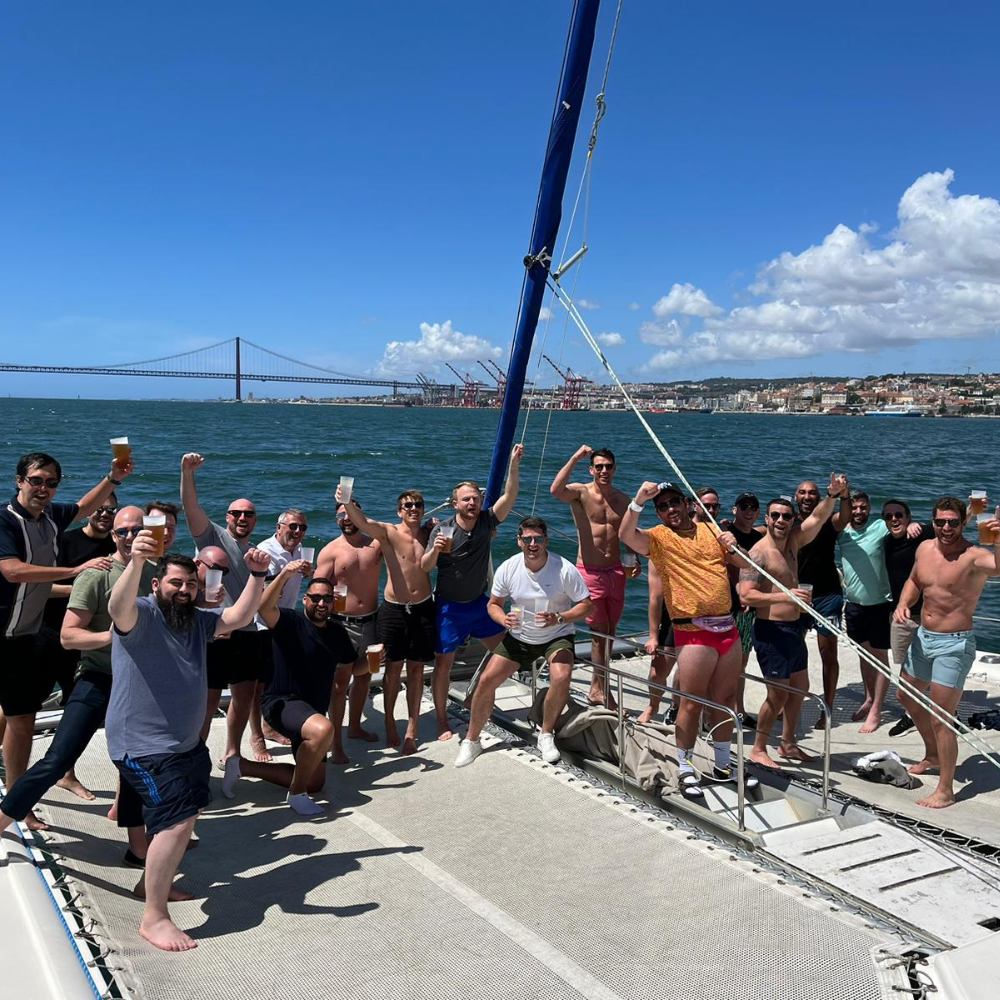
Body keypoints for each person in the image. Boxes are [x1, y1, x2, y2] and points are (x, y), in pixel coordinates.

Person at [107, 537, 270, 952]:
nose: (184, 591)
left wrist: (255, 575)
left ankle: (149, 885)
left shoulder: (197, 621)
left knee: (187, 816)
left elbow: (238, 616)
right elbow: (116, 608)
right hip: (142, 747)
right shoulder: (139, 614)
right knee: (176, 822)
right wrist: (139, 559)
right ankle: (154, 918)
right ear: (156, 585)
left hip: (185, 744)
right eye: (175, 583)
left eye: (190, 585)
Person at [0, 507, 149, 866]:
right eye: (124, 531)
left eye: (138, 530)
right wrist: (110, 637)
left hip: (139, 686)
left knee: (136, 763)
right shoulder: (97, 575)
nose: (131, 536)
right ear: (114, 536)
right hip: (98, 677)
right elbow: (69, 636)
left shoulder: (159, 575)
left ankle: (139, 847)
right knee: (58, 758)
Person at [0, 450, 131, 830]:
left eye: (51, 482)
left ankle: (16, 800)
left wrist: (114, 477)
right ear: (19, 480)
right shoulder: (5, 521)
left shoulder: (49, 517)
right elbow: (11, 571)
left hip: (24, 637)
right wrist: (76, 569)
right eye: (36, 480)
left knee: (22, 717)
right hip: (4, 637)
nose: (43, 488)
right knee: (18, 716)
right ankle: (17, 802)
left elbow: (82, 507)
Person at [619, 481, 754, 799]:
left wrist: (734, 544)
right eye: (662, 506)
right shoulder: (658, 538)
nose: (670, 510)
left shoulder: (710, 530)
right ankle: (685, 765)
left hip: (727, 630)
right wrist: (639, 500)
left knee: (725, 702)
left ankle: (723, 764)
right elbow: (626, 534)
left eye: (674, 502)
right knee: (690, 704)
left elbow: (747, 564)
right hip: (692, 633)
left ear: (687, 503)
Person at [456, 517, 592, 768]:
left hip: (556, 635)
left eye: (538, 539)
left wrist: (559, 617)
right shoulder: (509, 567)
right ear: (519, 541)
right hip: (519, 636)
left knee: (561, 676)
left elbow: (586, 605)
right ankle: (472, 740)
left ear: (546, 541)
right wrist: (503, 619)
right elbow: (493, 605)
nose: (533, 544)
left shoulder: (563, 569)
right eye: (527, 539)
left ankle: (546, 734)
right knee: (486, 680)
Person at [222, 567, 356, 815]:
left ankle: (241, 766)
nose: (321, 603)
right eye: (315, 597)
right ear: (305, 599)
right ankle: (296, 795)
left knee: (315, 782)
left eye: (327, 598)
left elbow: (353, 666)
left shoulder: (337, 632)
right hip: (281, 703)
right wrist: (285, 575)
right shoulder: (290, 621)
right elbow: (262, 608)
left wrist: (379, 657)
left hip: (310, 713)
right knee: (323, 729)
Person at [894, 500, 999, 809]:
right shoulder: (925, 549)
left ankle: (946, 790)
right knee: (906, 696)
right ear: (934, 521)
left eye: (953, 522)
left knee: (942, 718)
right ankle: (933, 755)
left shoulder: (974, 556)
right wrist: (903, 603)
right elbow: (914, 580)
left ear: (962, 523)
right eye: (941, 522)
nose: (947, 528)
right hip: (923, 639)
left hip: (954, 644)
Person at [737, 480, 847, 768]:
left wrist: (834, 495)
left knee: (800, 688)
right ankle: (759, 748)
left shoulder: (794, 543)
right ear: (767, 519)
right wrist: (784, 594)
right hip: (771, 632)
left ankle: (788, 744)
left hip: (793, 629)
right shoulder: (759, 553)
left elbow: (819, 517)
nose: (781, 521)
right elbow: (745, 594)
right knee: (777, 695)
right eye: (775, 516)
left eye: (786, 516)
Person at [422, 444, 523, 740]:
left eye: (476, 499)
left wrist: (514, 465)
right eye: (466, 499)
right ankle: (442, 721)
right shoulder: (441, 529)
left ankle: (476, 694)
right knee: (443, 667)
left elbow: (510, 496)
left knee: (510, 652)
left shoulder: (486, 522)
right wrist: (436, 549)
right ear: (455, 503)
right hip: (449, 608)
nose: (472, 503)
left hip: (479, 605)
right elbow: (426, 567)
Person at [179, 453, 273, 764]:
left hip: (247, 632)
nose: (242, 518)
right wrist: (187, 473)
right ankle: (196, 759)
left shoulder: (259, 554)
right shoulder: (212, 535)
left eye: (249, 515)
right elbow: (191, 508)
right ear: (228, 517)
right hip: (213, 634)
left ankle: (233, 752)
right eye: (236, 513)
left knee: (244, 697)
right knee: (207, 703)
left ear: (255, 520)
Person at [33, 493, 118, 802]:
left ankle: (67, 776)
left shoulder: (117, 547)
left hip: (89, 644)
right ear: (88, 513)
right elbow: (38, 585)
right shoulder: (64, 542)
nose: (105, 514)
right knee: (22, 703)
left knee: (76, 710)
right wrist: (84, 585)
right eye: (100, 509)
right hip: (49, 632)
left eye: (112, 510)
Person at [337, 488, 436, 754]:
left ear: (424, 509)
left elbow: (464, 531)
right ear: (399, 511)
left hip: (424, 608)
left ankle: (412, 730)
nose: (413, 509)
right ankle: (390, 721)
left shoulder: (432, 533)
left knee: (417, 671)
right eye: (407, 506)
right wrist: (346, 502)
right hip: (394, 610)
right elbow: (363, 522)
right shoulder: (389, 533)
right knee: (392, 671)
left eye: (418, 504)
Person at [550, 446, 639, 708]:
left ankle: (596, 687)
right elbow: (555, 490)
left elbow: (628, 533)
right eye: (598, 466)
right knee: (599, 632)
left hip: (616, 571)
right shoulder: (580, 492)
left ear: (614, 469)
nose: (603, 471)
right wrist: (575, 457)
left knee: (610, 631)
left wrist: (635, 560)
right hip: (589, 571)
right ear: (591, 469)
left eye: (608, 466)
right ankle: (603, 690)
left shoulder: (622, 500)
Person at [836, 488, 922, 733]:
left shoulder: (880, 527)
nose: (859, 511)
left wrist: (914, 524)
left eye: (863, 507)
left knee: (880, 658)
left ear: (869, 509)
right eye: (854, 507)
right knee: (864, 655)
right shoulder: (842, 533)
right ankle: (869, 698)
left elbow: (900, 526)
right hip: (852, 604)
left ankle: (876, 711)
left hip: (879, 604)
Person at [316, 498, 383, 762]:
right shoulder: (331, 551)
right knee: (339, 685)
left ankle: (354, 727)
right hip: (341, 624)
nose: (345, 519)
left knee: (366, 676)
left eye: (350, 514)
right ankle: (337, 743)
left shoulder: (375, 544)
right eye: (340, 515)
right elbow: (318, 588)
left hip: (371, 622)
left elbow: (401, 536)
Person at [795, 479, 850, 724]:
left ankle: (827, 708)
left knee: (828, 651)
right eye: (802, 492)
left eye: (812, 493)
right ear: (795, 496)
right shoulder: (788, 522)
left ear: (819, 497)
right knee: (792, 652)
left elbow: (845, 517)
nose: (807, 496)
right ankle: (786, 701)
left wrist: (843, 495)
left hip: (827, 594)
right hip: (796, 594)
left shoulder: (829, 520)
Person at [720, 491, 767, 728]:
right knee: (726, 664)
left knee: (742, 663)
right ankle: (721, 711)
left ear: (758, 513)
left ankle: (737, 710)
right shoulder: (727, 535)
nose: (748, 511)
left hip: (749, 610)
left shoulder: (759, 535)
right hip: (730, 607)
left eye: (753, 507)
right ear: (734, 510)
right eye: (744, 506)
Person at [196, 545, 234, 742]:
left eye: (224, 571)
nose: (219, 574)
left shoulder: (217, 590)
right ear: (197, 563)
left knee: (210, 707)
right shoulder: (183, 585)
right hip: (190, 652)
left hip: (214, 648)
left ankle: (199, 751)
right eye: (214, 568)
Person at [637, 560, 677, 725]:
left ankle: (677, 707)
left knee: (687, 671)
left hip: (697, 615)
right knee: (656, 674)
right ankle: (653, 706)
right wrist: (653, 635)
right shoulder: (659, 552)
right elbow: (655, 597)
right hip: (669, 614)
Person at [258, 508, 310, 609]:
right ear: (279, 528)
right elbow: (268, 591)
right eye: (293, 526)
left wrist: (307, 573)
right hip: (265, 619)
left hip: (288, 615)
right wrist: (285, 574)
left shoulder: (299, 548)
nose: (298, 531)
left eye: (302, 528)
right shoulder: (265, 552)